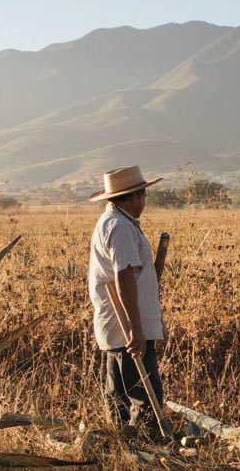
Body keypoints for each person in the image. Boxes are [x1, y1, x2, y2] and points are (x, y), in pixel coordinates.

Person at [87, 166, 167, 433]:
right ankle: (145, 447)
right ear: (134, 196)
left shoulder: (114, 221)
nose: (144, 202)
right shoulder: (120, 227)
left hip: (119, 324)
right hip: (125, 326)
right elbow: (123, 276)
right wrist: (136, 327)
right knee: (143, 396)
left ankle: (121, 444)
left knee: (118, 394)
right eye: (142, 196)